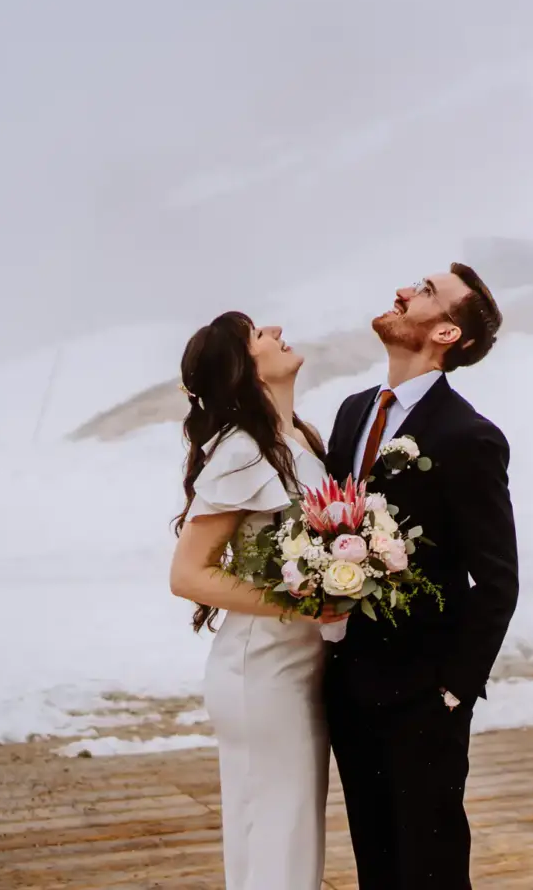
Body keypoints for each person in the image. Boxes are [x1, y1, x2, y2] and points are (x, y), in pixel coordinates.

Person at [324, 265, 520, 890]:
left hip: (423, 699)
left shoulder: (469, 437)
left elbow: (497, 581)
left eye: (425, 292)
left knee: (430, 871)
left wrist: (453, 694)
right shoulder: (353, 413)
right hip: (349, 688)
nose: (403, 290)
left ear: (444, 331)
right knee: (375, 867)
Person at [167, 311, 341, 890]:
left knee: (284, 836)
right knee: (276, 837)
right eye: (255, 335)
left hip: (297, 668)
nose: (274, 329)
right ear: (244, 367)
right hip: (261, 671)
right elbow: (188, 574)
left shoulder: (298, 440)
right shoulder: (242, 452)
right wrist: (303, 607)